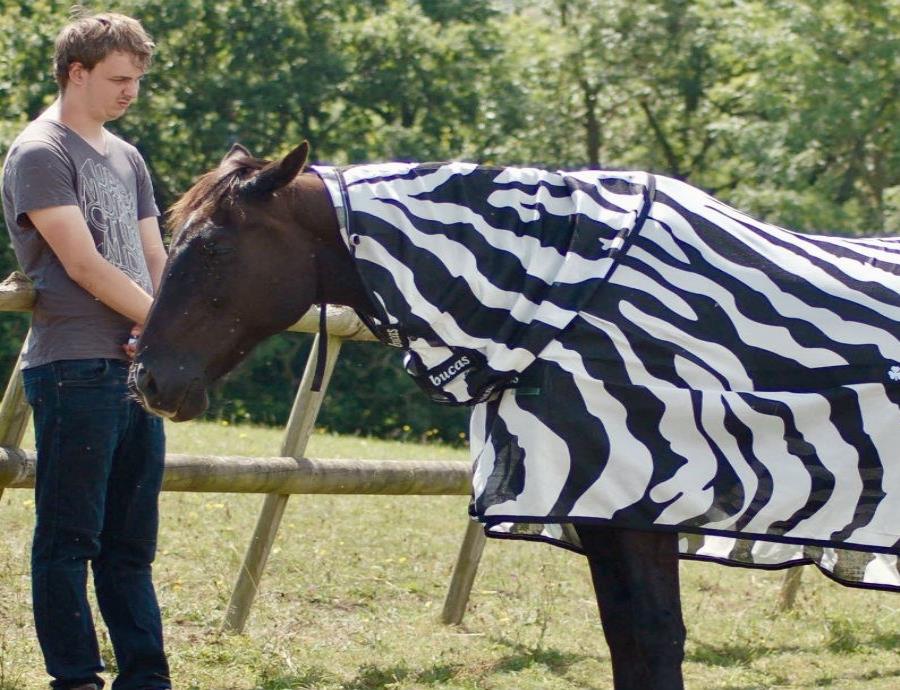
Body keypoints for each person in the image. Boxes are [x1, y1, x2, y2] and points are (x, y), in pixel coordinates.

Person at [1, 11, 170, 690]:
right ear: (77, 72)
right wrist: (160, 326)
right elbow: (84, 264)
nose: (131, 91)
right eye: (118, 79)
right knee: (69, 540)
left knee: (130, 547)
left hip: (136, 370)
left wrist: (168, 332)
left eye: (136, 79)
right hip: (75, 367)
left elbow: (155, 255)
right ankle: (74, 680)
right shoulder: (41, 151)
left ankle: (146, 679)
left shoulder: (126, 156)